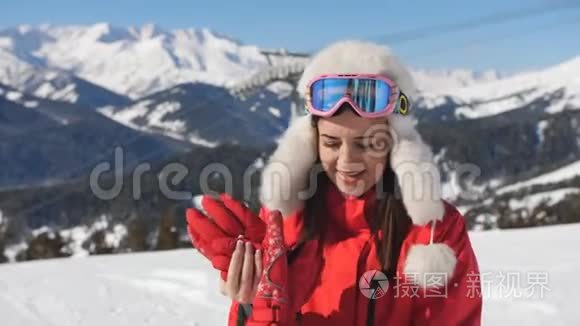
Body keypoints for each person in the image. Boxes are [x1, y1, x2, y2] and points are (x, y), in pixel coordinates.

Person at [186, 40, 482, 325]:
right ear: (312, 143)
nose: (346, 162)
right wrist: (256, 309)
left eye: (367, 144)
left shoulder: (434, 234)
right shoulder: (282, 223)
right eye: (331, 143)